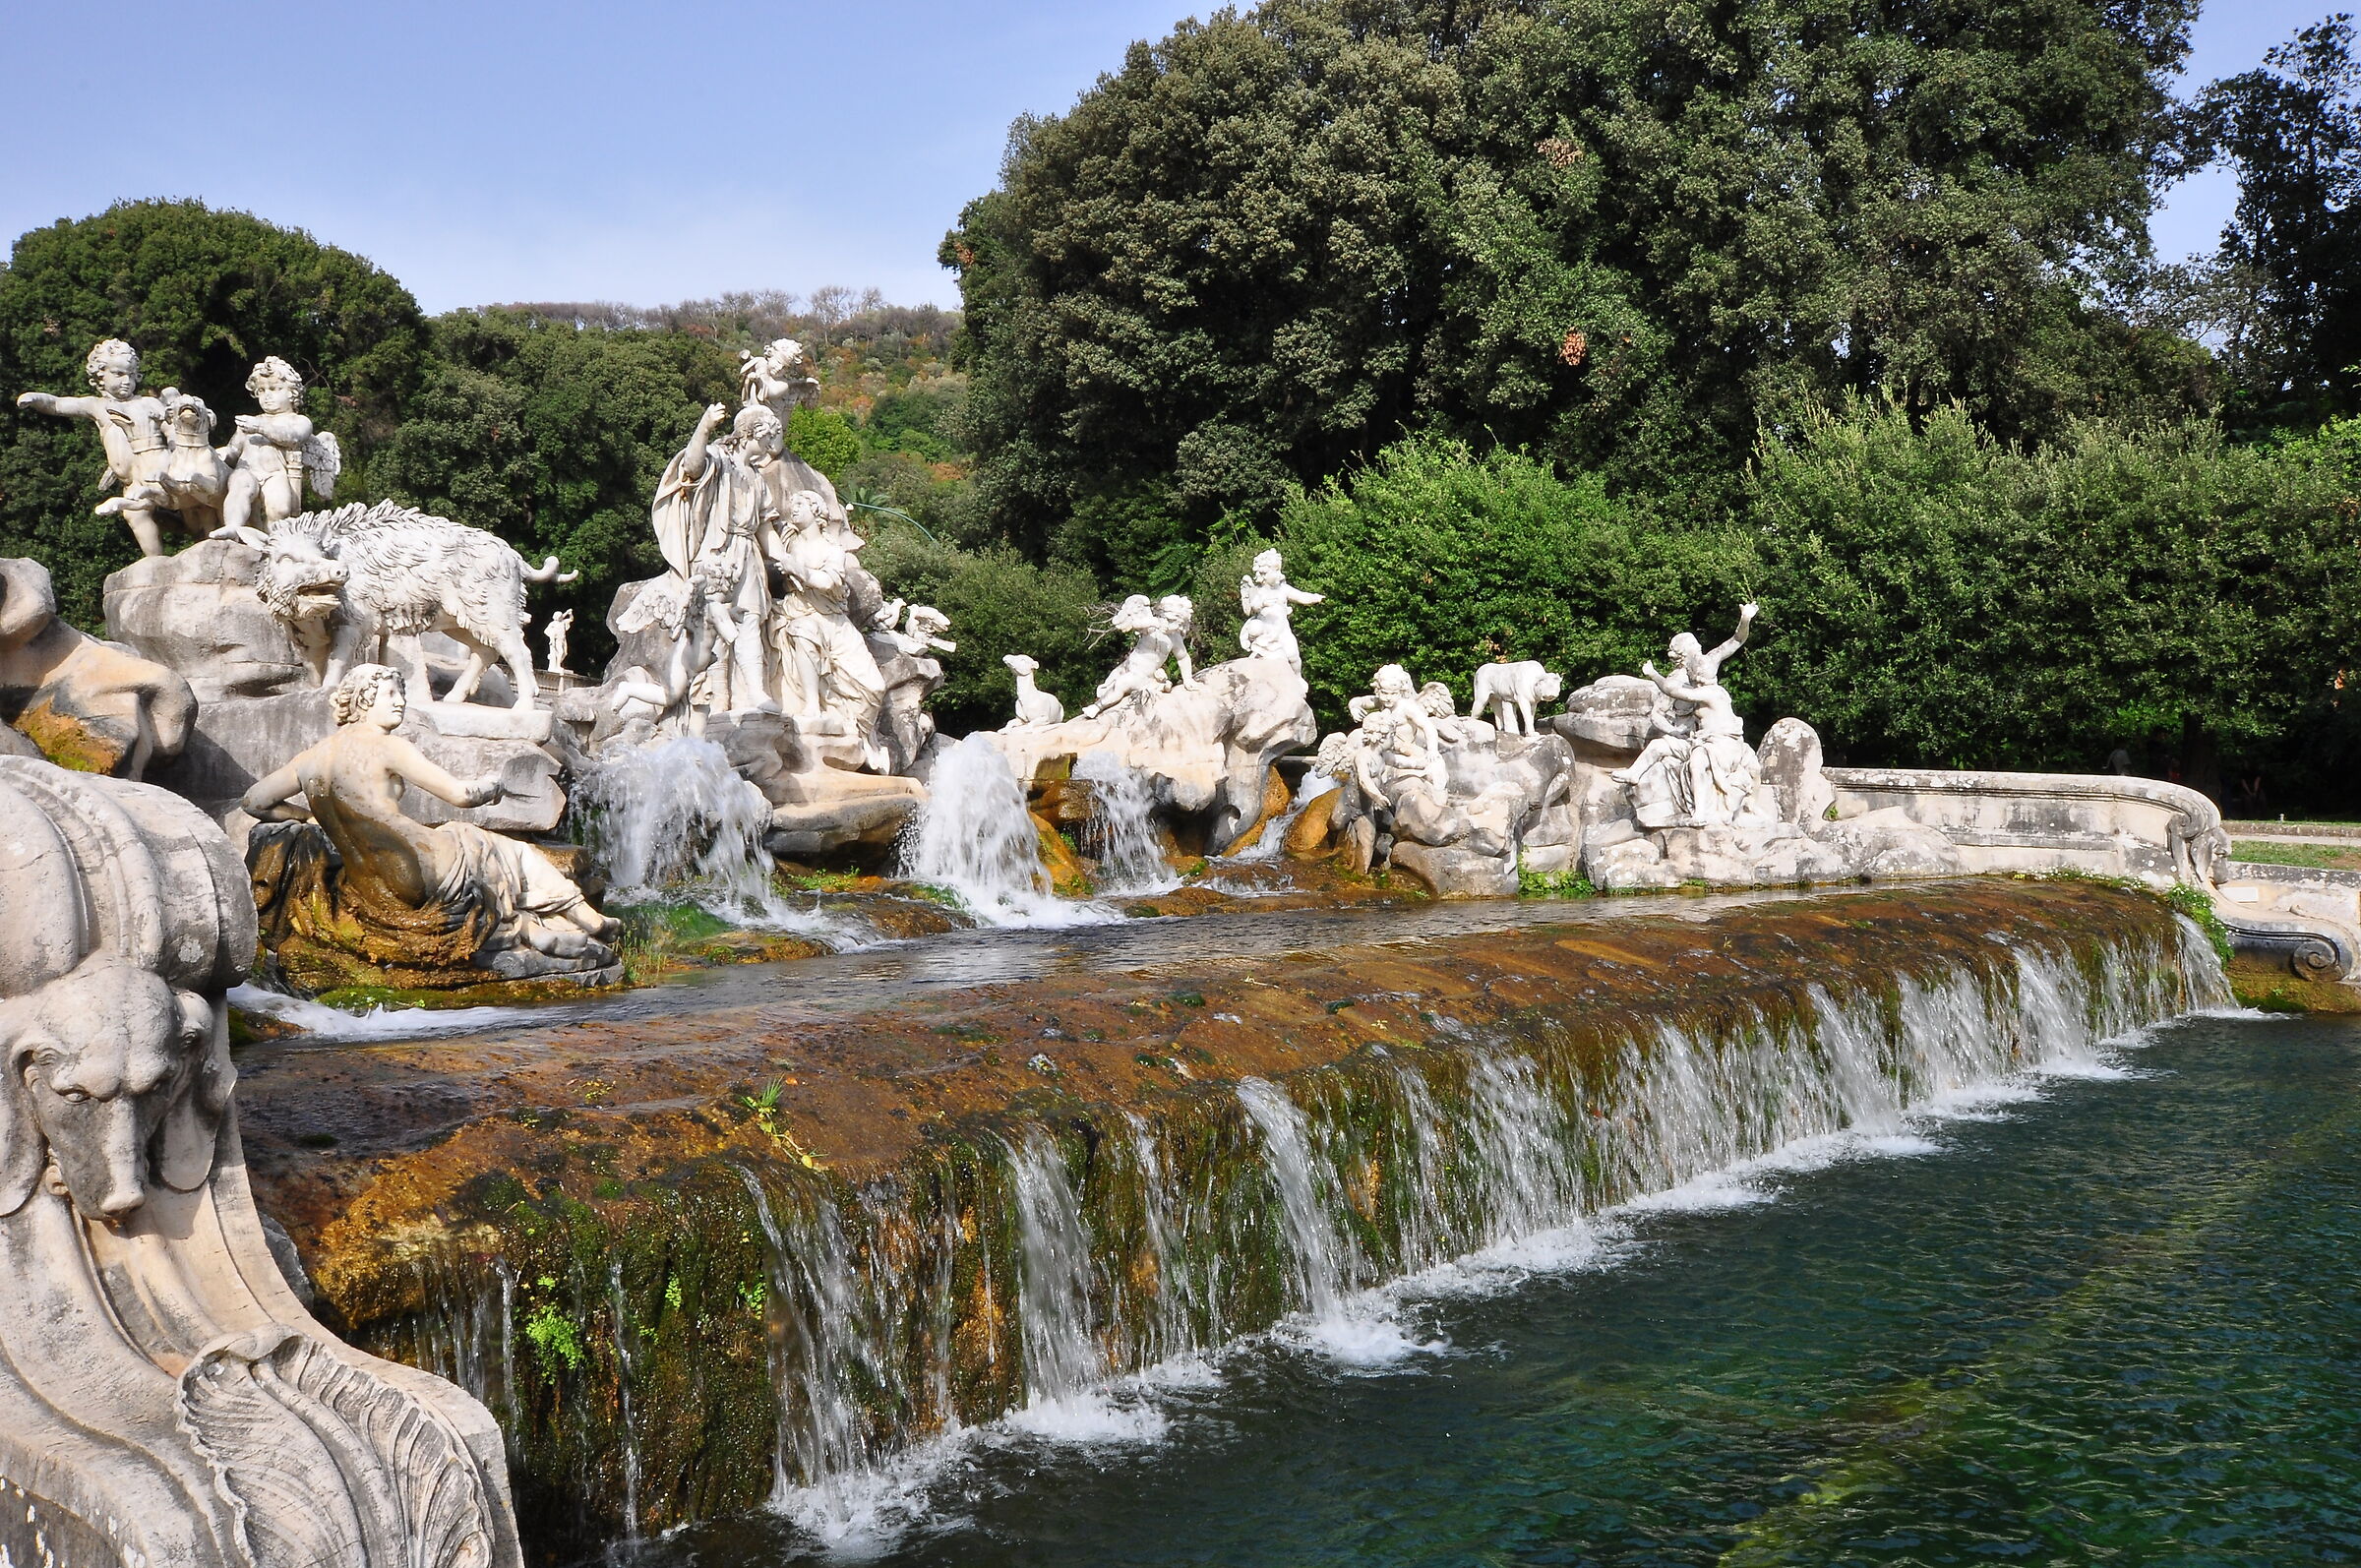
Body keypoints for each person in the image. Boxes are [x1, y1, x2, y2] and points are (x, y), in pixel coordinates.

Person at [243, 664, 618, 959]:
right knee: (498, 845)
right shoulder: (389, 747)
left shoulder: (310, 759)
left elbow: (254, 802)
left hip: (370, 886)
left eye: (402, 693)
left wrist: (306, 817)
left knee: (472, 844)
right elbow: (460, 795)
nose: (400, 701)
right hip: (424, 870)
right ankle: (586, 917)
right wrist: (494, 785)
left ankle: (529, 930)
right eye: (389, 693)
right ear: (361, 700)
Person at [15, 339, 175, 556]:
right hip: (132, 480)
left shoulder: (147, 403)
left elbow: (171, 429)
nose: (126, 381)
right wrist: (35, 398)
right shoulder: (97, 406)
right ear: (100, 376)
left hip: (157, 468)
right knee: (134, 515)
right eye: (118, 374)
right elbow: (58, 405)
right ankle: (157, 561)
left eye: (131, 375)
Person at [215, 356, 338, 534]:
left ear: (292, 392)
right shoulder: (250, 422)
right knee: (240, 488)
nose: (267, 396)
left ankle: (272, 542)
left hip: (275, 473)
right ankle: (233, 527)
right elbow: (233, 451)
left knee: (280, 509)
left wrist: (259, 427)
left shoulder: (298, 421)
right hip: (246, 470)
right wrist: (219, 454)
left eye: (274, 389)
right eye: (262, 390)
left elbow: (292, 438)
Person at [1238, 549, 1322, 670]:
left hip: (1283, 630)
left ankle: (1297, 677)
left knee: (1293, 656)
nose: (1280, 574)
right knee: (1255, 627)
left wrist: (1314, 597)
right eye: (1276, 570)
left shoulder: (1283, 589)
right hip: (1267, 630)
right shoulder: (1257, 591)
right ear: (1264, 574)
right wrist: (1263, 603)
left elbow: (1300, 596)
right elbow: (1254, 606)